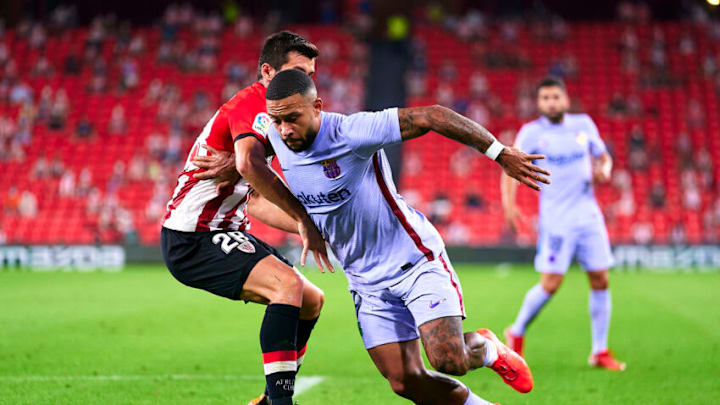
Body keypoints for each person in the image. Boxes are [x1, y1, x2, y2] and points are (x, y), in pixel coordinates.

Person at [200, 68, 549, 404]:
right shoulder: (277, 136)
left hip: (413, 260)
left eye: (293, 118)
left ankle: (487, 347)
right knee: (405, 381)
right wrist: (234, 167)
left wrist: (499, 153)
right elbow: (257, 190)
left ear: (317, 107)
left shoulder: (353, 132)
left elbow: (432, 115)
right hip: (365, 280)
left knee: (448, 359)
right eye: (276, 120)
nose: (284, 129)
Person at [161, 31, 333, 405]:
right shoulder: (253, 104)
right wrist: (302, 216)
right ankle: (280, 401)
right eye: (297, 72)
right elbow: (248, 166)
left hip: (226, 228)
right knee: (285, 286)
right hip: (194, 235)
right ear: (268, 72)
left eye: (310, 75)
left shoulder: (275, 117)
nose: (305, 82)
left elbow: (253, 199)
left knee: (311, 300)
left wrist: (317, 229)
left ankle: (270, 399)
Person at [501, 77, 625, 371]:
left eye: (556, 97)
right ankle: (516, 331)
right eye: (545, 98)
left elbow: (603, 157)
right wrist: (509, 204)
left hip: (588, 215)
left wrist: (605, 171)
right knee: (551, 284)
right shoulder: (531, 132)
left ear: (566, 100)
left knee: (601, 279)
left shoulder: (583, 125)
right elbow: (510, 166)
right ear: (539, 103)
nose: (551, 102)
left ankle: (599, 351)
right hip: (556, 220)